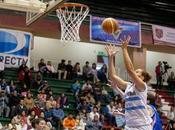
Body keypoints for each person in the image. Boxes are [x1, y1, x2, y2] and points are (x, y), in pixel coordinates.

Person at [105, 36, 152, 130]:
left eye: (138, 72)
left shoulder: (142, 86)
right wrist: (110, 58)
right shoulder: (128, 86)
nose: (135, 72)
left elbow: (130, 70)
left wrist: (124, 49)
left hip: (142, 126)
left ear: (143, 77)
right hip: (129, 126)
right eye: (136, 71)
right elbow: (113, 77)